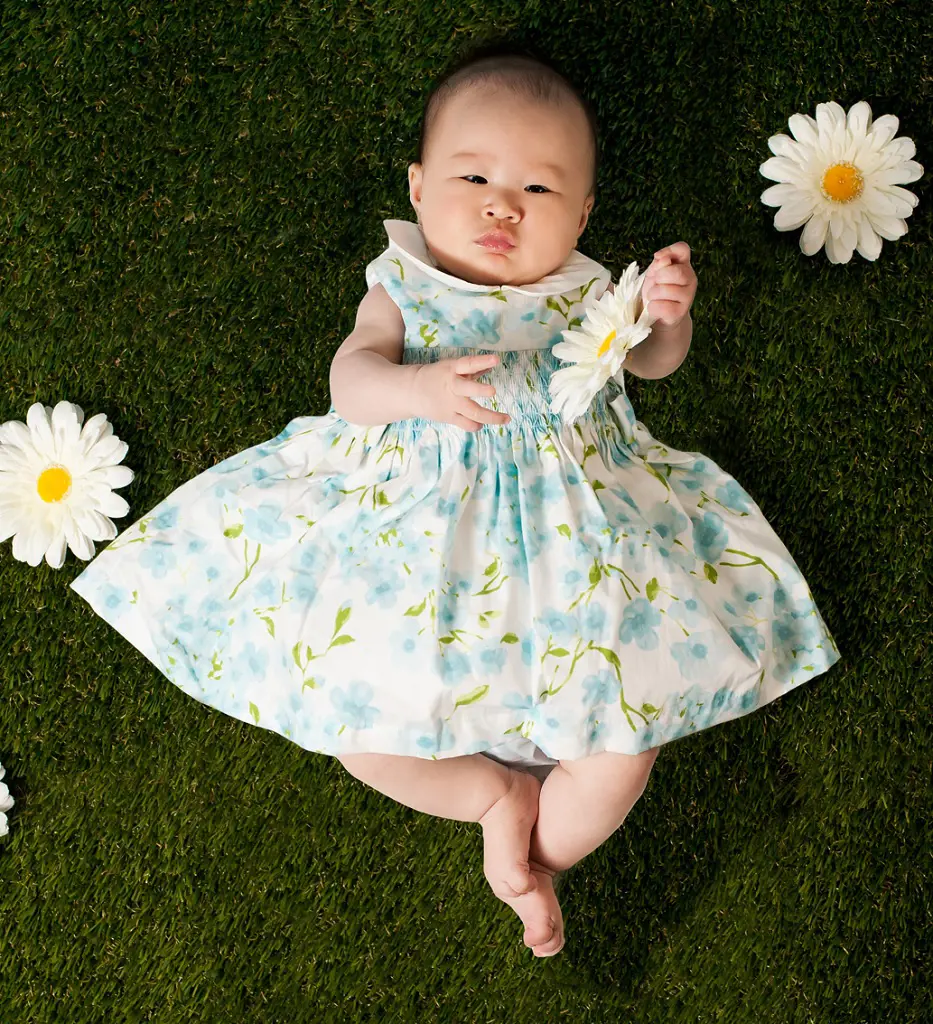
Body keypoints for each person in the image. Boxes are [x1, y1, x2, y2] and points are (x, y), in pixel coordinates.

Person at [69, 42, 842, 959]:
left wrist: (665, 317)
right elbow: (350, 380)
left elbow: (645, 365)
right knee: (346, 720)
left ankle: (535, 859)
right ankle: (492, 796)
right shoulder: (404, 287)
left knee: (627, 747)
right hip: (416, 553)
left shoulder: (589, 297)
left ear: (584, 214)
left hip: (581, 563)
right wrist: (417, 392)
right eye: (472, 174)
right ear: (419, 186)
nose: (501, 205)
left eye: (540, 191)